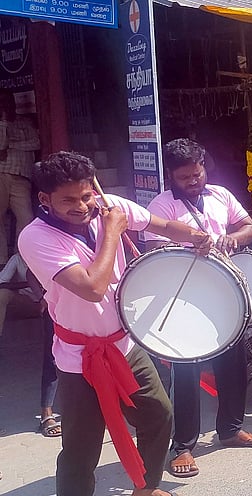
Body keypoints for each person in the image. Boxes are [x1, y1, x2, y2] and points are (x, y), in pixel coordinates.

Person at [18, 151, 212, 496]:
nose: (82, 206)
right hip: (79, 358)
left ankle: (146, 488)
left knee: (158, 414)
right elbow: (93, 288)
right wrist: (112, 231)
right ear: (45, 200)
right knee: (82, 447)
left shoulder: (109, 206)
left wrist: (195, 235)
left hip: (125, 345)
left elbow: (162, 226)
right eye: (68, 200)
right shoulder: (35, 237)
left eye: (86, 195)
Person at [143, 138, 252, 479]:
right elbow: (154, 252)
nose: (193, 181)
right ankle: (183, 446)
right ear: (171, 176)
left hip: (225, 291)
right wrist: (187, 246)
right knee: (186, 374)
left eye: (197, 174)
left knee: (234, 365)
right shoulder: (162, 205)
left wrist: (233, 238)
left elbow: (251, 228)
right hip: (184, 299)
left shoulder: (220, 195)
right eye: (184, 177)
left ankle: (231, 429)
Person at [0, 253, 59, 436]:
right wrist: (42, 298)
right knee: (52, 357)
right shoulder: (40, 247)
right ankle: (46, 413)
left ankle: (90, 409)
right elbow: (30, 275)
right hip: (52, 305)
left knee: (84, 359)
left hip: (82, 305)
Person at [0, 91, 40, 264]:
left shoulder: (25, 122)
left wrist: (9, 146)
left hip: (21, 177)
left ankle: (21, 257)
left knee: (26, 218)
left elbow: (36, 143)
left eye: (8, 101)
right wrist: (3, 122)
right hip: (1, 174)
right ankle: (1, 260)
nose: (5, 105)